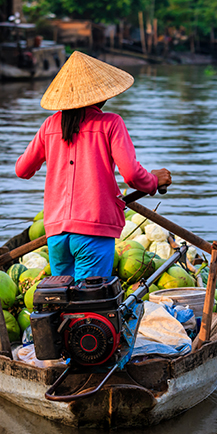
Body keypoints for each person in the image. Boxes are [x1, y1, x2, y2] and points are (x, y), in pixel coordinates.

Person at [15, 51, 172, 281]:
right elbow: (131, 174)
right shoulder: (110, 123)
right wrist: (154, 180)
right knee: (89, 307)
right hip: (93, 231)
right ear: (102, 95)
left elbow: (22, 169)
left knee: (65, 302)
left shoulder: (50, 126)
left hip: (57, 234)